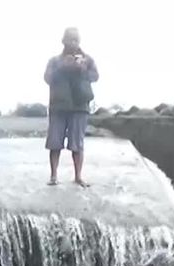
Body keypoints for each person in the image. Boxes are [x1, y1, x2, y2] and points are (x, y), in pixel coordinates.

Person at [44, 27, 99, 187]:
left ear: (79, 41)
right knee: (55, 143)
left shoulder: (87, 59)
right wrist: (62, 67)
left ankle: (78, 176)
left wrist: (82, 70)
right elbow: (47, 78)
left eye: (76, 39)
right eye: (70, 39)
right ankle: (53, 176)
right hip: (58, 107)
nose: (73, 42)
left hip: (79, 107)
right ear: (63, 40)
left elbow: (95, 76)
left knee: (77, 144)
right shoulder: (54, 61)